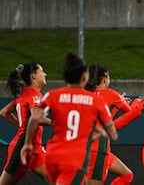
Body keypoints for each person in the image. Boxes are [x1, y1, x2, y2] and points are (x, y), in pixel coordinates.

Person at [20, 52, 118, 185]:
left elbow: (35, 117)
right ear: (84, 77)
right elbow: (110, 130)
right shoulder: (95, 100)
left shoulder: (52, 95)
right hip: (74, 157)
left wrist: (27, 143)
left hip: (52, 155)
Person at [0, 63, 51, 185]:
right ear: (33, 76)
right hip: (22, 148)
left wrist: (22, 124)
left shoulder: (25, 94)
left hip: (35, 150)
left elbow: (4, 112)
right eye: (42, 71)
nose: (45, 74)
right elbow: (36, 117)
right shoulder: (33, 94)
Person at [85, 64, 133, 185]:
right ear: (105, 78)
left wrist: (116, 104)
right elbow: (132, 112)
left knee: (127, 174)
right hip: (98, 150)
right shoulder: (111, 94)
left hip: (87, 148)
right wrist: (122, 102)